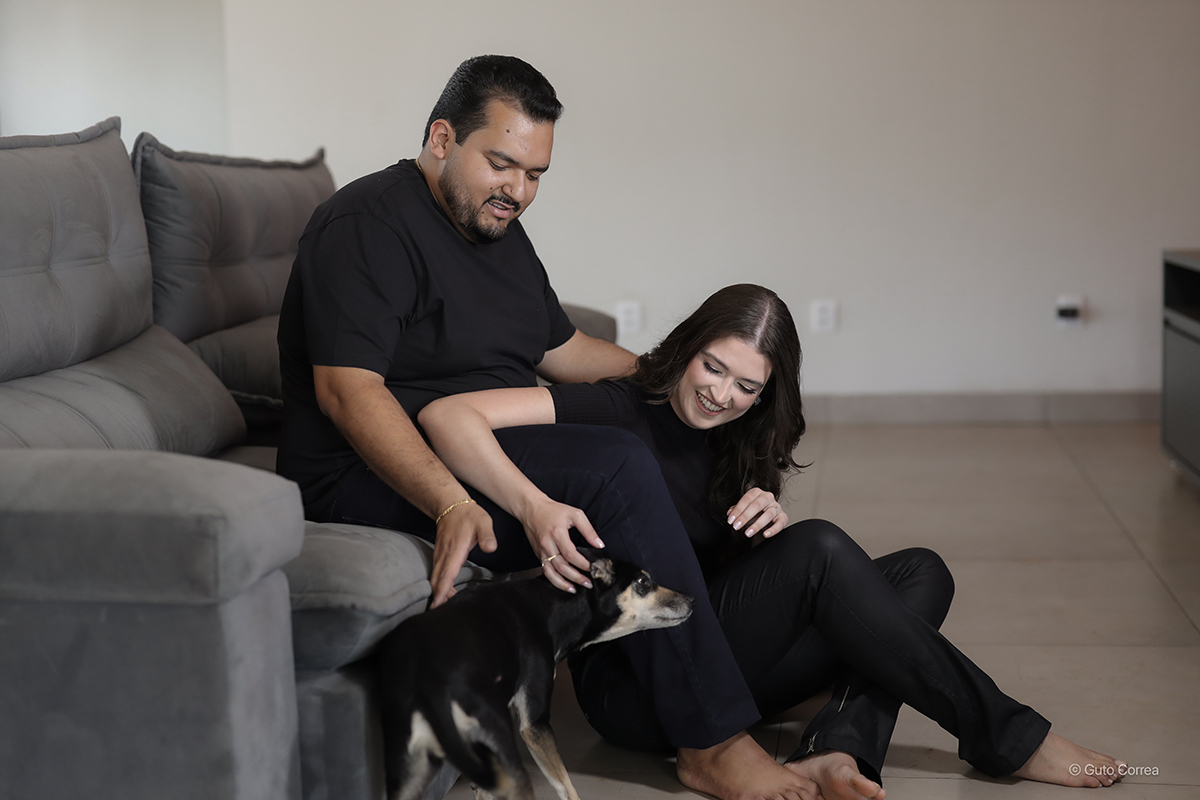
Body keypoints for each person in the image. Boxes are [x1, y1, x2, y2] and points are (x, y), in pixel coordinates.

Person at [277, 57, 819, 800]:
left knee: (654, 430)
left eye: (535, 174)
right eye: (501, 164)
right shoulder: (368, 226)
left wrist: (679, 387)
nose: (519, 191)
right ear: (442, 138)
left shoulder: (495, 228)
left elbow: (564, 350)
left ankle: (723, 645)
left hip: (479, 442)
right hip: (367, 474)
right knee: (617, 463)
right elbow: (347, 393)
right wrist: (448, 501)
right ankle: (712, 739)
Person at [417, 284, 1128, 799]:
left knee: (922, 573)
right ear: (688, 348)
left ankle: (841, 750)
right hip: (636, 688)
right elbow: (450, 415)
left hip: (718, 656)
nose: (721, 395)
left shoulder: (738, 437)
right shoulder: (619, 406)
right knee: (821, 550)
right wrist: (534, 505)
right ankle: (1007, 735)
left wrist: (761, 529)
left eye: (746, 386)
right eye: (712, 367)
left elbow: (713, 572)